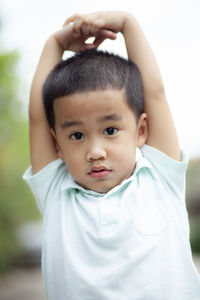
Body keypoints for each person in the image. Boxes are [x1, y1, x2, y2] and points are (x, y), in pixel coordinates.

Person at [23, 11, 200, 299]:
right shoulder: (57, 193)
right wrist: (54, 44)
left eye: (110, 130)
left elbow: (154, 94)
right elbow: (38, 119)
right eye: (77, 135)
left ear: (141, 130)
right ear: (57, 144)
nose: (95, 152)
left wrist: (128, 25)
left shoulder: (160, 178)